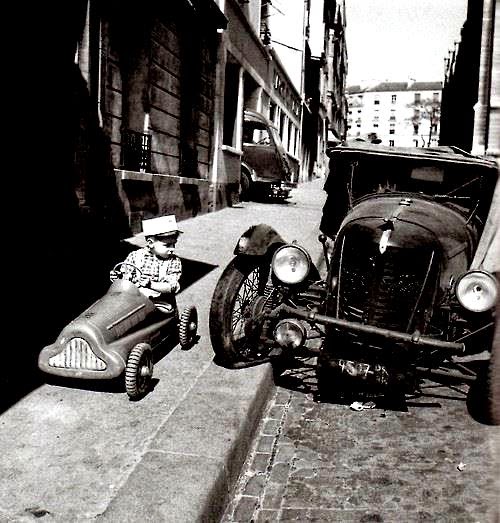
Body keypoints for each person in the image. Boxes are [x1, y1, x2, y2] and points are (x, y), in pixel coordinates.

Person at [111, 215, 182, 305]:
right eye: (167, 245)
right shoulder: (135, 256)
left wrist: (151, 284)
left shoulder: (173, 261)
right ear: (150, 243)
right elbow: (126, 279)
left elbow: (172, 287)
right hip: (134, 301)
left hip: (160, 304)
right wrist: (118, 278)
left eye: (174, 244)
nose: (172, 249)